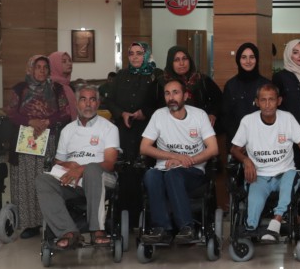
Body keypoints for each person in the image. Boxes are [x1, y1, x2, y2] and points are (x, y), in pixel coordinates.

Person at [36, 86, 120, 250]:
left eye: (92, 99)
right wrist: (68, 165)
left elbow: (110, 163)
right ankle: (68, 232)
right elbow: (58, 163)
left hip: (102, 178)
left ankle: (97, 230)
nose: (88, 104)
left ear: (98, 103)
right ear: (76, 104)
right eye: (83, 99)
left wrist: (81, 169)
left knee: (92, 170)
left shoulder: (109, 128)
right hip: (72, 182)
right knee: (43, 180)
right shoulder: (68, 130)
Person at [231, 82, 300, 238]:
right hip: (259, 175)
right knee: (254, 203)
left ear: (279, 101)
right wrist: (246, 161)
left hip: (285, 173)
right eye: (263, 100)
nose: (267, 104)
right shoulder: (248, 122)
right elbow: (234, 149)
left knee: (291, 179)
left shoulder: (287, 119)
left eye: (271, 99)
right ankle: (251, 228)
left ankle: (276, 222)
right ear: (257, 102)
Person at [139, 78, 219, 244]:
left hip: (193, 170)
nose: (171, 97)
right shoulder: (159, 115)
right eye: (167, 93)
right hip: (164, 167)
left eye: (175, 93)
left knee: (173, 175)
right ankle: (161, 229)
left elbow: (213, 149)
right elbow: (144, 148)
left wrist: (186, 161)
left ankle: (187, 227)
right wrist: (174, 157)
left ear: (185, 96)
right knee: (151, 175)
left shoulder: (199, 115)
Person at [6, 54, 74, 240]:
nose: (42, 71)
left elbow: (66, 113)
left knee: (46, 181)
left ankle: (50, 221)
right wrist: (31, 121)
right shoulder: (20, 88)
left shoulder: (56, 88)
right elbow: (11, 113)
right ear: (30, 69)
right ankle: (30, 224)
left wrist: (46, 122)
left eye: (45, 67)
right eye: (38, 67)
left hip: (48, 141)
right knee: (27, 183)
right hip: (24, 143)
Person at [104, 41, 160, 219]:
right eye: (131, 53)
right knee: (126, 171)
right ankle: (126, 218)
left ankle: (149, 218)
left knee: (147, 169)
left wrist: (145, 113)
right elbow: (109, 101)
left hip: (149, 131)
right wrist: (122, 114)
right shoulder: (121, 75)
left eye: (139, 53)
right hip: (125, 130)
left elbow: (161, 102)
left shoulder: (156, 75)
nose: (135, 57)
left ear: (147, 55)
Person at [163, 46, 221, 131]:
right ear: (170, 62)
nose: (182, 63)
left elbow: (219, 100)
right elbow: (151, 107)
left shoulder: (202, 79)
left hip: (199, 127)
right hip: (170, 128)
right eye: (176, 60)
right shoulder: (162, 82)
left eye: (184, 58)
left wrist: (213, 114)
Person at [224, 42, 273, 140]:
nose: (248, 61)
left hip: (263, 139)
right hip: (237, 140)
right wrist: (238, 140)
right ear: (238, 60)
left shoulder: (266, 85)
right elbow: (226, 116)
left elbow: (272, 113)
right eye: (244, 57)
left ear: (257, 59)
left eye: (252, 57)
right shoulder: (231, 85)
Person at [49, 51, 78, 119]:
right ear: (54, 65)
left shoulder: (68, 86)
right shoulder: (50, 87)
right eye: (64, 61)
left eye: (70, 61)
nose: (69, 64)